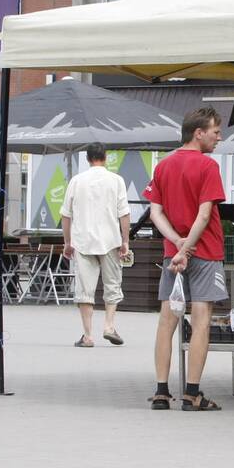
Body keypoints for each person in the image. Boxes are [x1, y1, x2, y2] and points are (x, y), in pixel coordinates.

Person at [143, 107, 228, 412]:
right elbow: (205, 215)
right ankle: (192, 394)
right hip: (204, 253)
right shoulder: (207, 167)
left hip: (173, 255)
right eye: (215, 132)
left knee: (167, 321)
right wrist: (187, 247)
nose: (219, 138)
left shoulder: (163, 166)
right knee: (201, 321)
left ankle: (162, 392)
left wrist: (176, 244)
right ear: (199, 133)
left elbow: (156, 213)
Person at [61, 143, 131, 348]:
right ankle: (109, 326)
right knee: (112, 285)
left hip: (82, 242)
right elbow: (124, 214)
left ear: (87, 159)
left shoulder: (76, 181)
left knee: (85, 290)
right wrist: (125, 240)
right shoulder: (116, 180)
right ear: (105, 157)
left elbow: (66, 215)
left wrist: (67, 242)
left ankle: (87, 335)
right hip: (110, 240)